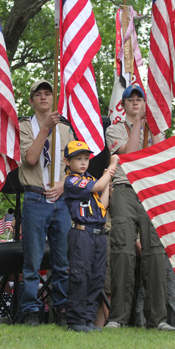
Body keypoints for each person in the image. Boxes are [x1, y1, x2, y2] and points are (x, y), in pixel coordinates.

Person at [105, 84, 174, 331]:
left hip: (151, 191)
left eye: (139, 99)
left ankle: (158, 319)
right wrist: (137, 124)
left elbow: (161, 155)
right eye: (130, 99)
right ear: (123, 106)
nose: (135, 102)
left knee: (155, 252)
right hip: (125, 188)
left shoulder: (154, 128)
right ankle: (118, 318)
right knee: (122, 250)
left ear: (145, 104)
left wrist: (152, 126)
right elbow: (131, 153)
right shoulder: (114, 129)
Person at [17, 79, 75, 326]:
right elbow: (30, 158)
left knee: (62, 260)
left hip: (60, 200)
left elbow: (75, 166)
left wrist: (64, 184)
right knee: (33, 260)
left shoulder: (64, 129)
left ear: (53, 98)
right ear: (31, 100)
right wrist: (45, 129)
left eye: (47, 93)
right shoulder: (25, 126)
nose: (43, 97)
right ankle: (31, 309)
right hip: (35, 197)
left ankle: (61, 309)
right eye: (38, 94)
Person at [62, 140, 118, 332]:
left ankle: (87, 319)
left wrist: (106, 181)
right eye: (78, 159)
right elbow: (95, 188)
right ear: (67, 162)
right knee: (80, 275)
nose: (84, 162)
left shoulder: (90, 178)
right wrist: (112, 167)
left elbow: (102, 206)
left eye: (86, 158)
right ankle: (75, 320)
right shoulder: (71, 180)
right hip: (81, 233)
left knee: (97, 276)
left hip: (98, 233)